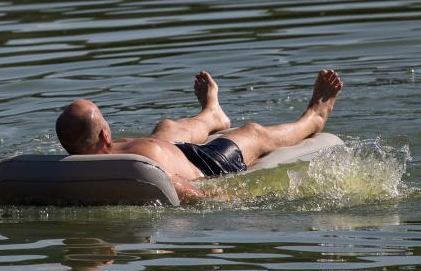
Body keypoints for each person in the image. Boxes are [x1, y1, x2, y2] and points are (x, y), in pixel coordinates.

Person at [55, 70, 343, 203]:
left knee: (167, 126)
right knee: (253, 132)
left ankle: (212, 114)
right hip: (207, 163)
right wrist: (233, 198)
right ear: (106, 133)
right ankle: (313, 118)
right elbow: (190, 192)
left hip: (171, 148)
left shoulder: (80, 160)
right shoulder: (133, 169)